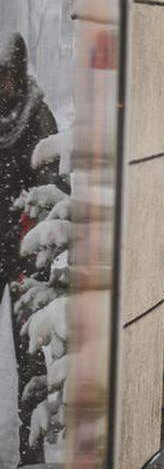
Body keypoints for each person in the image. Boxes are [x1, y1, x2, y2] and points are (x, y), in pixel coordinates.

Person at [0, 34, 58, 465]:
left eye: (5, 76)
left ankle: (30, 447)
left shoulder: (36, 117)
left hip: (23, 254)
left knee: (30, 357)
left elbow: (51, 191)